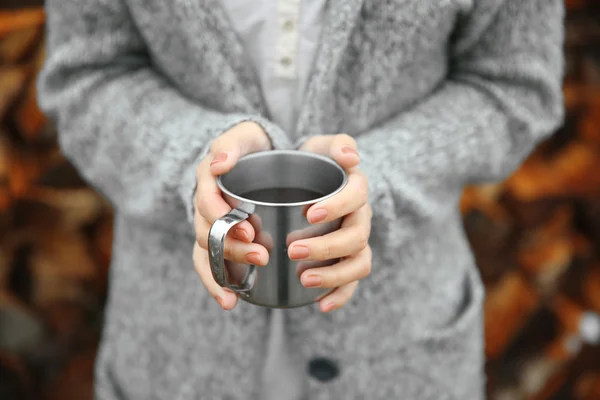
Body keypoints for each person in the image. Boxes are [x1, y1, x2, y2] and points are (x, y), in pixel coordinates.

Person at [37, 0, 564, 399]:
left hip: (404, 356)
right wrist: (192, 165)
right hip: (168, 357)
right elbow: (88, 76)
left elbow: (512, 85)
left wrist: (377, 181)